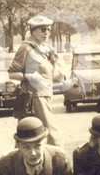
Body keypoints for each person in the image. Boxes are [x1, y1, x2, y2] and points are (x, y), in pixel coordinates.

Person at [8, 15, 71, 146]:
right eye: (43, 29)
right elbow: (12, 74)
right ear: (33, 30)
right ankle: (60, 161)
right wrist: (30, 77)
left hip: (46, 95)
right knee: (52, 133)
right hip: (34, 97)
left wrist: (59, 66)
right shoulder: (26, 48)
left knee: (28, 133)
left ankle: (18, 161)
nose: (47, 32)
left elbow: (53, 77)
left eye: (48, 29)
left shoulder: (45, 49)